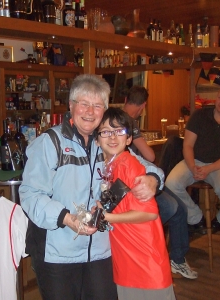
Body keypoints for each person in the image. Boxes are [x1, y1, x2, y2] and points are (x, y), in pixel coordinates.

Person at [19, 74, 164, 300]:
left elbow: (144, 164)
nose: (90, 111)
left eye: (97, 106)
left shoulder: (106, 142)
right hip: (57, 252)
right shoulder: (50, 143)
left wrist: (153, 178)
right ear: (71, 106)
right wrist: (67, 218)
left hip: (100, 250)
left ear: (104, 110)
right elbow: (29, 194)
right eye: (83, 104)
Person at [96, 107, 175, 300]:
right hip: (126, 254)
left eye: (119, 131)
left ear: (129, 139)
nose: (113, 137)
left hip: (144, 258)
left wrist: (106, 217)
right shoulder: (108, 166)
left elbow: (150, 214)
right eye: (106, 131)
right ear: (97, 139)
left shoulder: (129, 165)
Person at [123, 85, 197, 279]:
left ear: (125, 99)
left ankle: (177, 260)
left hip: (144, 177)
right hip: (136, 181)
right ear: (143, 105)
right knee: (172, 207)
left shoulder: (122, 118)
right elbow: (149, 155)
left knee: (179, 209)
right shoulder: (128, 122)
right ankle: (147, 248)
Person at [165, 85, 220, 234]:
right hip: (194, 160)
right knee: (170, 184)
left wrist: (209, 168)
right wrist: (192, 166)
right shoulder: (200, 115)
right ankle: (195, 217)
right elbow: (188, 145)